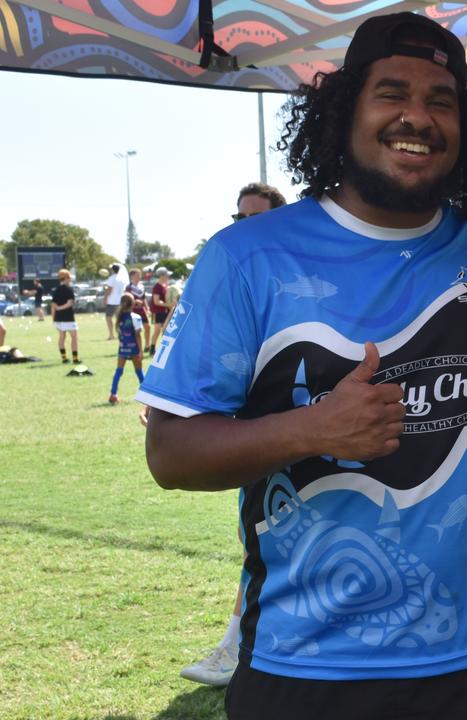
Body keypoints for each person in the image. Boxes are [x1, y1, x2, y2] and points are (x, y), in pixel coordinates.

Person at [138, 12, 467, 719]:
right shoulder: (248, 258)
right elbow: (170, 454)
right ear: (345, 109)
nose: (416, 117)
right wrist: (312, 429)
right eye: (392, 94)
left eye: (440, 100)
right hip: (306, 669)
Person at [175, 183, 287, 687]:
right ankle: (236, 642)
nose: (244, 226)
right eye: (239, 217)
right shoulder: (235, 274)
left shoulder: (287, 281)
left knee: (259, 544)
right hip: (250, 443)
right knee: (251, 541)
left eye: (255, 217)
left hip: (290, 449)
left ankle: (239, 644)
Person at [109, 293, 144, 403]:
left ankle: (113, 394)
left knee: (119, 371)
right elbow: (138, 335)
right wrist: (140, 351)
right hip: (134, 348)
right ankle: (147, 395)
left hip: (123, 348)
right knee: (139, 371)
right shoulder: (136, 317)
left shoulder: (119, 317)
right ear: (133, 303)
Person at [51, 269, 81, 364]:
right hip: (68, 317)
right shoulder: (69, 289)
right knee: (74, 337)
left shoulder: (56, 290)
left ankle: (64, 358)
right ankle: (75, 358)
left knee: (62, 337)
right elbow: (70, 303)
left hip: (58, 318)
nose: (70, 280)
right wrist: (60, 308)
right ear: (66, 278)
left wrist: (53, 318)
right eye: (69, 278)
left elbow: (53, 306)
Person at [125, 268, 153, 351]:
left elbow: (143, 298)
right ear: (132, 276)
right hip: (133, 310)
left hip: (141, 310)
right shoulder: (129, 287)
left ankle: (147, 346)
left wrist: (147, 308)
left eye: (139, 275)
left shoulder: (141, 286)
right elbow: (126, 298)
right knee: (136, 330)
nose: (139, 276)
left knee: (147, 327)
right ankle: (136, 347)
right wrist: (135, 300)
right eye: (137, 275)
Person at [148, 267, 172, 356]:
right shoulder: (157, 286)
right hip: (158, 311)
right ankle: (152, 349)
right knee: (157, 330)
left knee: (166, 330)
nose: (168, 276)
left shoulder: (165, 286)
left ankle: (164, 349)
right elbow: (156, 301)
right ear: (162, 276)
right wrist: (169, 305)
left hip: (165, 312)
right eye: (166, 275)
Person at [102, 263, 128, 340]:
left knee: (108, 317)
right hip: (120, 301)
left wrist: (105, 298)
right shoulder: (122, 279)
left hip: (112, 301)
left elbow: (109, 289)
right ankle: (121, 333)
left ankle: (111, 335)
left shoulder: (112, 278)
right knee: (119, 318)